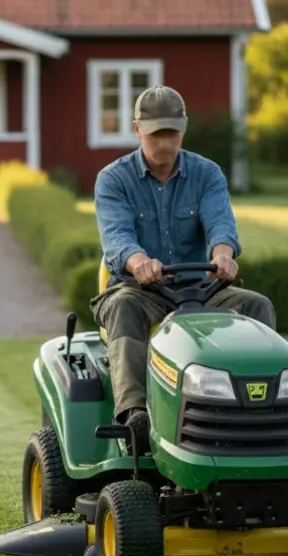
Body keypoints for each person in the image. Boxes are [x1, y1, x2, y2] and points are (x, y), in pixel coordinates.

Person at [89, 85, 277, 453]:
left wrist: (222, 254)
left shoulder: (206, 174)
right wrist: (140, 262)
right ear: (137, 129)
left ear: (183, 129)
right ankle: (134, 416)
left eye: (171, 132)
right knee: (123, 306)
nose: (164, 140)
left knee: (256, 306)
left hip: (202, 290)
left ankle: (259, 411)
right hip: (141, 291)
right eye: (156, 132)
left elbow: (220, 223)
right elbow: (117, 237)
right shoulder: (113, 180)